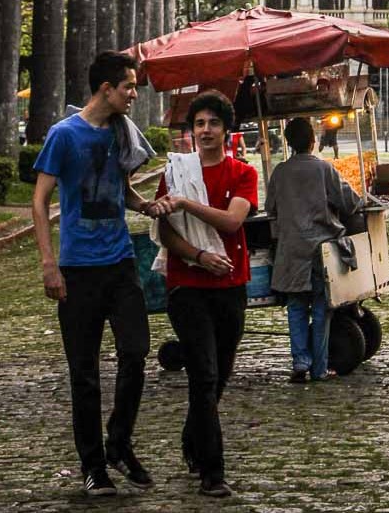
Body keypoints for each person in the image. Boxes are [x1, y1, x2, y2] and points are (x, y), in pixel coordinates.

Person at [32, 50, 165, 499]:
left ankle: (119, 443)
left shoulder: (120, 132)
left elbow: (119, 189)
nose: (133, 93)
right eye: (128, 86)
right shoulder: (63, 135)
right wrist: (49, 264)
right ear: (105, 89)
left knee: (136, 352)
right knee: (84, 373)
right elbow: (39, 201)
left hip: (120, 261)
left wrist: (143, 205)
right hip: (77, 269)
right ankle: (94, 468)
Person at [154, 91, 258, 500]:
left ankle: (192, 438)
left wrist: (187, 204)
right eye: (199, 123)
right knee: (204, 374)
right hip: (187, 286)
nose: (206, 130)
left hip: (230, 287)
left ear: (226, 130)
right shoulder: (175, 174)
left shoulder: (242, 174)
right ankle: (212, 472)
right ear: (191, 131)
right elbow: (165, 231)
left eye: (214, 122)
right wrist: (198, 255)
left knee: (219, 377)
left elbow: (233, 223)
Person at [265, 116, 362, 383]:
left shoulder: (280, 172)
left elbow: (270, 207)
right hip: (321, 250)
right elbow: (351, 202)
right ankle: (319, 369)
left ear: (289, 143)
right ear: (312, 140)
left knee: (296, 307)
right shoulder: (324, 169)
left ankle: (300, 362)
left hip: (291, 251)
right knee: (322, 309)